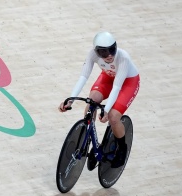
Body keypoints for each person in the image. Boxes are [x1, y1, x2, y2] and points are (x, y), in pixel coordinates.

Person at [58, 31, 140, 169]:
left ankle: (121, 149)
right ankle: (88, 137)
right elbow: (83, 77)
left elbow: (117, 87)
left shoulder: (123, 58)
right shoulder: (92, 55)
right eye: (103, 52)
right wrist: (70, 100)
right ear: (96, 52)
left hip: (127, 83)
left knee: (113, 117)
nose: (109, 55)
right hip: (108, 78)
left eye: (112, 50)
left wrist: (106, 110)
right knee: (92, 101)